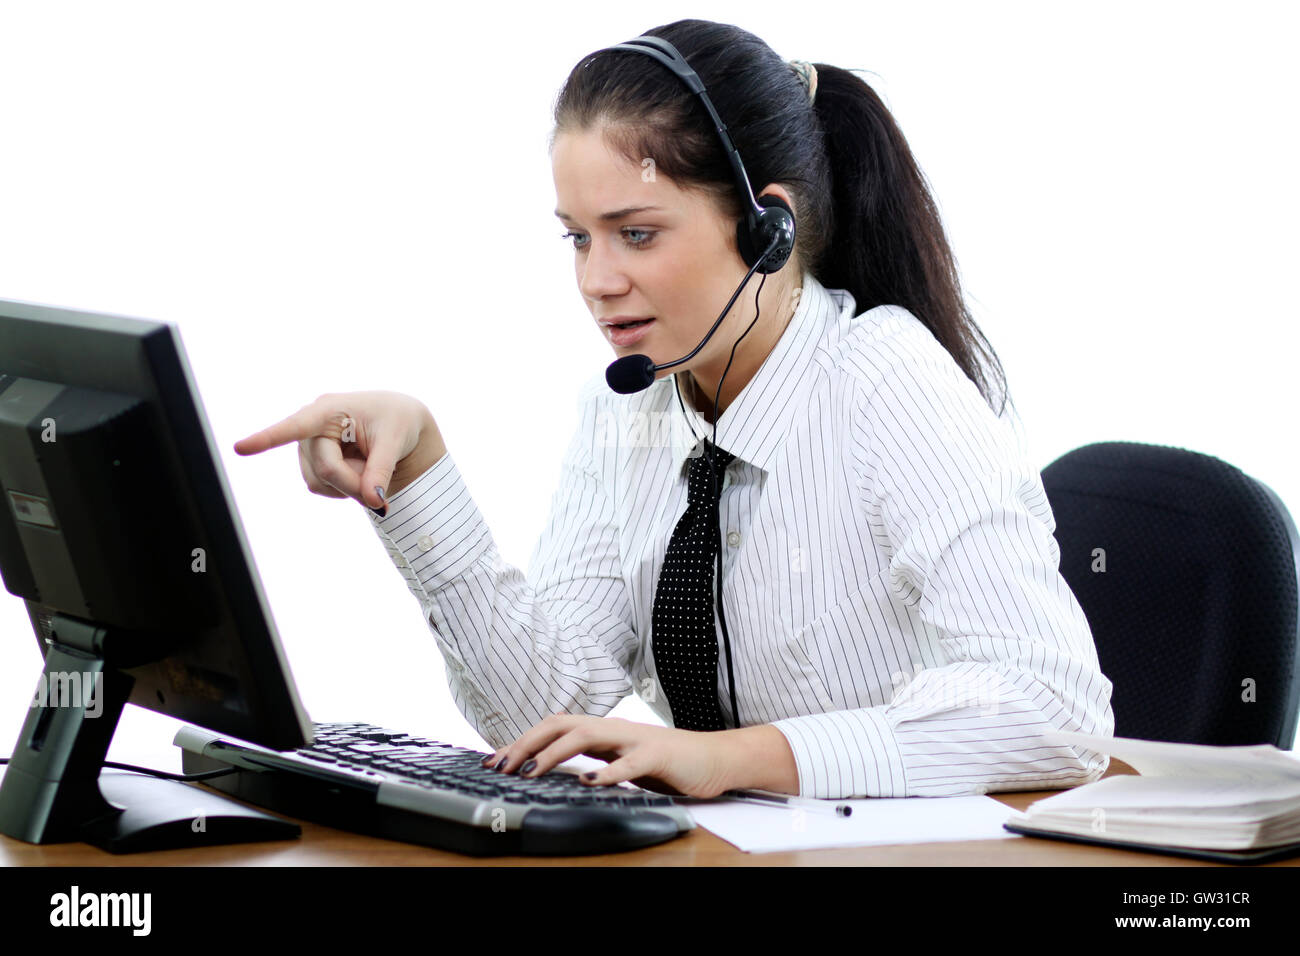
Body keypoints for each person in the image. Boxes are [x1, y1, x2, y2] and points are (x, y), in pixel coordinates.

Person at [234, 19, 1113, 800]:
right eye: (577, 237)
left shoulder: (885, 381)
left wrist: (737, 757)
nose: (595, 281)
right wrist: (420, 474)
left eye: (637, 233)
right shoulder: (625, 410)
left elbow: (1053, 705)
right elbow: (543, 712)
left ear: (766, 228)